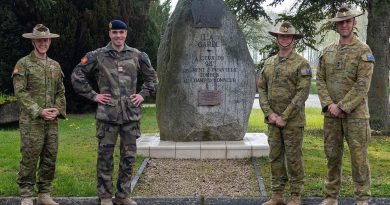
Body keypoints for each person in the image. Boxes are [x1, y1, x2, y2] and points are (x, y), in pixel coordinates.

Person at [71, 20, 157, 205]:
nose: (118, 36)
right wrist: (94, 95)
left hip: (130, 116)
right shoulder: (98, 55)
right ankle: (104, 196)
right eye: (115, 32)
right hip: (107, 116)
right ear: (110, 34)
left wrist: (142, 95)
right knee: (105, 157)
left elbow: (152, 78)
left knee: (129, 157)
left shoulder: (137, 55)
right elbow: (77, 75)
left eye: (121, 32)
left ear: (126, 34)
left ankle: (123, 195)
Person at [317, 7, 374, 205]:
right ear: (336, 25)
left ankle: (362, 198)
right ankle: (331, 196)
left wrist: (342, 106)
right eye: (341, 22)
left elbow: (362, 85)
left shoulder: (363, 51)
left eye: (348, 21)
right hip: (331, 115)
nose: (344, 25)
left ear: (354, 23)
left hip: (356, 116)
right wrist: (328, 105)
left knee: (359, 159)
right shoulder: (328, 51)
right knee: (332, 156)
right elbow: (320, 80)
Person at [258, 22, 312, 205]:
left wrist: (284, 116)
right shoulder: (269, 62)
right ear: (277, 39)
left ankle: (296, 195)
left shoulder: (301, 63)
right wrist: (270, 114)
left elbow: (302, 93)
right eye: (281, 36)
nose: (285, 39)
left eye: (288, 36)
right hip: (273, 121)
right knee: (275, 157)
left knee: (294, 158)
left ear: (294, 39)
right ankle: (277, 195)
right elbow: (262, 90)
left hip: (293, 121)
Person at [13, 24, 66, 205]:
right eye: (39, 40)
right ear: (33, 42)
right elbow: (20, 92)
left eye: (46, 40)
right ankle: (26, 194)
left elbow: (61, 92)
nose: (43, 43)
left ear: (49, 41)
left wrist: (57, 110)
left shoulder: (55, 66)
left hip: (51, 121)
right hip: (31, 121)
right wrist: (38, 111)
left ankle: (44, 193)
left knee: (50, 156)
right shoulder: (23, 64)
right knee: (30, 155)